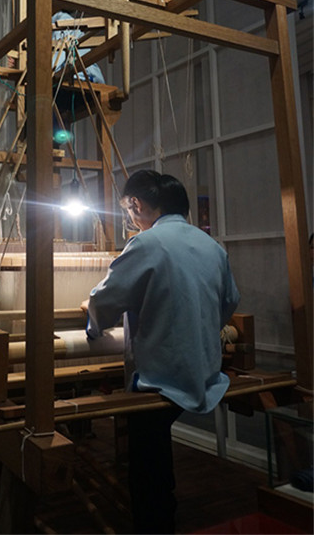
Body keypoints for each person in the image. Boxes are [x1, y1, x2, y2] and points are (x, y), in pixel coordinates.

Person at [80, 169, 240, 534]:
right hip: (206, 371)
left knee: (148, 464)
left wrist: (92, 321)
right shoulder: (212, 247)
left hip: (162, 378)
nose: (129, 217)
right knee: (155, 452)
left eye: (128, 209)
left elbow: (106, 301)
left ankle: (156, 523)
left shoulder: (146, 244)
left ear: (136, 204)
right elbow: (230, 302)